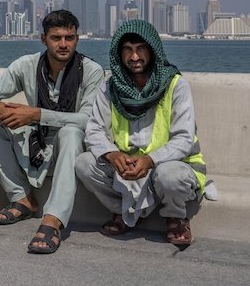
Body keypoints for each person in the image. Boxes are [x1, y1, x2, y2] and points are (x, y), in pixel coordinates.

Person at [0, 10, 104, 254]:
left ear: (77, 39)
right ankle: (21, 198)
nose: (64, 44)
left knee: (71, 132)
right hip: (36, 144)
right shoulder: (26, 65)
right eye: (56, 38)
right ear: (43, 39)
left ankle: (53, 220)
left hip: (70, 151)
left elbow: (89, 121)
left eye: (70, 37)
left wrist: (36, 114)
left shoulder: (92, 71)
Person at [75, 20, 214, 245]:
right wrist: (112, 154)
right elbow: (94, 130)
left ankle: (175, 217)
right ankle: (125, 211)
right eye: (127, 50)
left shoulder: (175, 86)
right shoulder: (111, 87)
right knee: (83, 163)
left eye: (141, 48)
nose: (134, 57)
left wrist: (150, 160)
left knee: (171, 176)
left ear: (152, 50)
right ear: (119, 54)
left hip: (169, 164)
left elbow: (184, 139)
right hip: (128, 165)